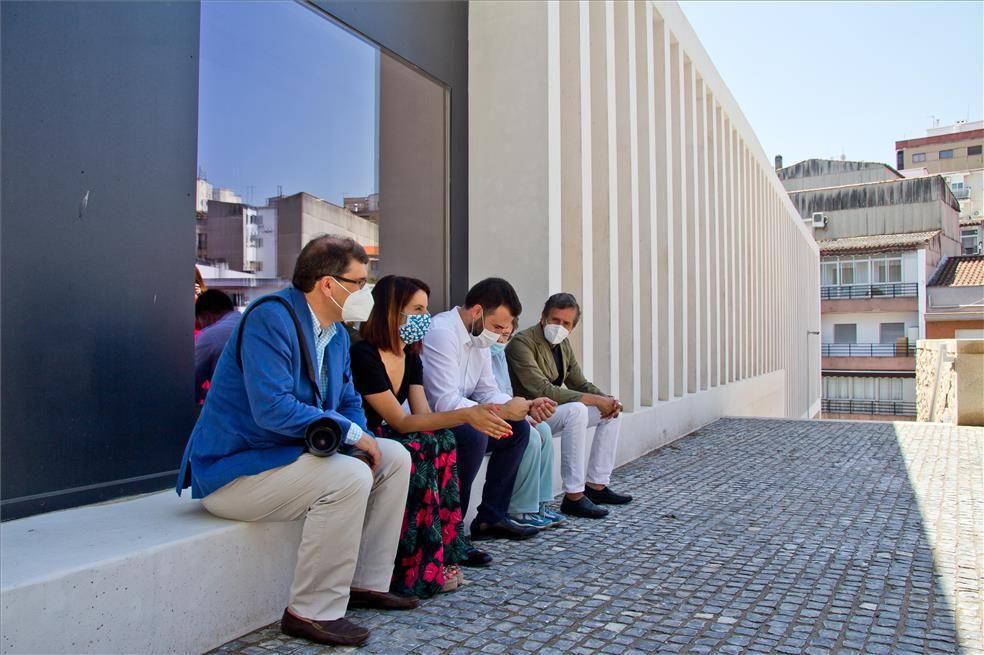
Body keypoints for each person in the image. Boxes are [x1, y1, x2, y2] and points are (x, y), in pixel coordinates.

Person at [176, 235, 413, 647]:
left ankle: (366, 582)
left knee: (393, 456)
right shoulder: (271, 318)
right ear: (327, 284)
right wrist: (353, 436)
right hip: (237, 470)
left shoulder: (337, 335)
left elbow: (350, 400)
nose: (364, 292)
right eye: (358, 282)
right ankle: (312, 612)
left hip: (285, 460)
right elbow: (271, 408)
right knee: (348, 477)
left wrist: (360, 439)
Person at [351, 275, 514, 597]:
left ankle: (441, 552)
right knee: (423, 447)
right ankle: (411, 563)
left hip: (394, 430)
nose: (425, 317)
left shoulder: (410, 356)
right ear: (391, 310)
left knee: (443, 440)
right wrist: (468, 414)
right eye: (417, 309)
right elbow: (397, 420)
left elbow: (423, 414)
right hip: (368, 434)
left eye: (425, 308)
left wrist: (471, 416)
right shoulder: (364, 355)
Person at [421, 278, 557, 565]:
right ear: (477, 312)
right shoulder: (442, 332)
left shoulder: (479, 335)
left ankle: (491, 518)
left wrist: (522, 406)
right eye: (497, 327)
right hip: (433, 418)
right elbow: (443, 401)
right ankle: (452, 534)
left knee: (518, 429)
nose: (498, 335)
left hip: (465, 413)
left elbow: (486, 390)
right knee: (474, 433)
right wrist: (499, 411)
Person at [506, 293, 632, 519]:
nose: (559, 326)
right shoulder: (522, 343)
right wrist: (596, 401)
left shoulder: (563, 344)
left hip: (551, 411)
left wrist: (607, 400)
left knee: (612, 413)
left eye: (566, 323)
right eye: (555, 320)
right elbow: (542, 390)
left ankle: (597, 487)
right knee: (577, 410)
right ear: (543, 318)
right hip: (530, 414)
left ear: (572, 327)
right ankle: (573, 496)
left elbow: (579, 382)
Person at [489, 320, 565, 530]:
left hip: (507, 410)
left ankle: (540, 503)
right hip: (488, 414)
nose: (502, 339)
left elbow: (506, 392)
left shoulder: (499, 355)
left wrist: (522, 414)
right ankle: (520, 508)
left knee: (544, 429)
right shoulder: (481, 352)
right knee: (529, 436)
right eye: (499, 333)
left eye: (507, 335)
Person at [194, 289, 238, 404]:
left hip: (228, 413)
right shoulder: (251, 326)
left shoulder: (210, 335)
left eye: (200, 322)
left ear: (206, 316)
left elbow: (191, 385)